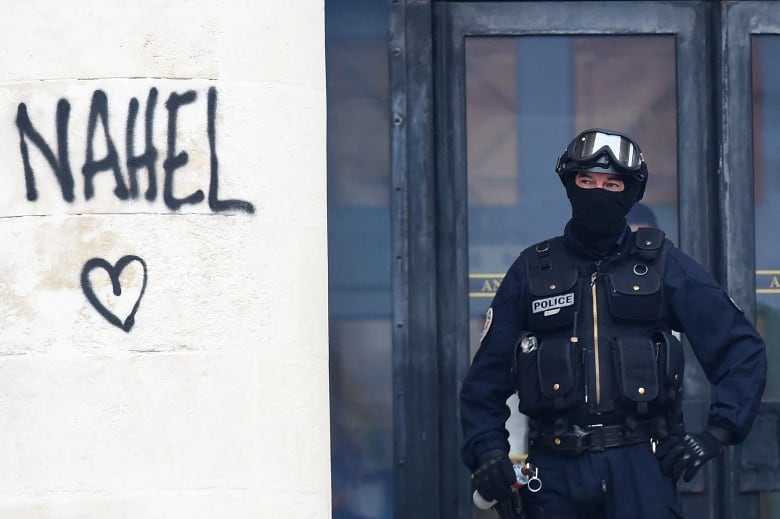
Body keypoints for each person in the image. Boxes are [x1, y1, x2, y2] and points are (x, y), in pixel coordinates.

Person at [460, 128, 767, 519]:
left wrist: (717, 434)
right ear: (570, 186)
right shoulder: (532, 270)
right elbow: (482, 385)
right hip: (554, 473)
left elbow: (742, 350)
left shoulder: (662, 265)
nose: (597, 192)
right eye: (586, 181)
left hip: (641, 468)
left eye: (611, 183)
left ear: (630, 192)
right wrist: (487, 452)